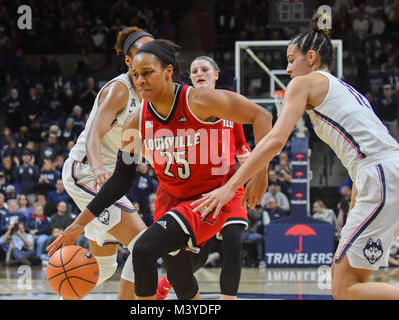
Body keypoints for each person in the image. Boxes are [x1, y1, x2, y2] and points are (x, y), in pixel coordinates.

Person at [192, 12, 399, 300]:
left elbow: (276, 139)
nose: (288, 69)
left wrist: (230, 187)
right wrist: (355, 208)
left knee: (345, 288)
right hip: (384, 173)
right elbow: (363, 159)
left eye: (291, 60)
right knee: (348, 281)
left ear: (311, 57)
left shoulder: (304, 83)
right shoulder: (345, 89)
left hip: (381, 176)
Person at [48, 39, 272, 300]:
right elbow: (121, 181)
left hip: (209, 197)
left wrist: (261, 173)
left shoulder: (199, 100)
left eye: (147, 73)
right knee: (178, 276)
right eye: (135, 75)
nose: (140, 80)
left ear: (168, 71)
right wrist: (77, 226)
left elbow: (262, 117)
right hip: (172, 199)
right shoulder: (134, 121)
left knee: (143, 249)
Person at [52, 27, 154, 300]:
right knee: (143, 245)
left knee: (104, 267)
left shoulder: (151, 92)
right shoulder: (120, 89)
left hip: (111, 181)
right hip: (86, 171)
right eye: (142, 52)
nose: (149, 57)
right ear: (129, 61)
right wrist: (98, 168)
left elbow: (134, 145)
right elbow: (94, 134)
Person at [156, 55, 252, 300]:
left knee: (233, 243)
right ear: (190, 78)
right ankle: (168, 281)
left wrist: (246, 155)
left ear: (216, 75)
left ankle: (228, 299)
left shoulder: (231, 105)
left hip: (230, 184)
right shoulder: (183, 107)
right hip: (197, 188)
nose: (200, 73)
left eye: (205, 69)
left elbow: (240, 144)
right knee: (196, 257)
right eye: (195, 70)